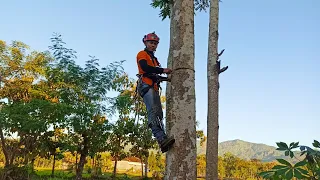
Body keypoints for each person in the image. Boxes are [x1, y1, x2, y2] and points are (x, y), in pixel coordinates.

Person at [136, 32, 175, 153]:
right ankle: (161, 138)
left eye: (155, 43)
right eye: (150, 43)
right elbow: (146, 69)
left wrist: (165, 78)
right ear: (145, 43)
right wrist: (163, 70)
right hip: (146, 86)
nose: (153, 45)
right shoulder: (142, 54)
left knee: (159, 114)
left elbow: (154, 75)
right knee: (153, 113)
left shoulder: (154, 59)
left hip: (153, 87)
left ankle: (163, 140)